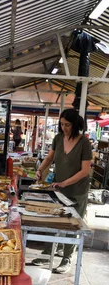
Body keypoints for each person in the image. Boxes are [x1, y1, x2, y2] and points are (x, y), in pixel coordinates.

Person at [32, 108, 92, 274]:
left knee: (71, 225)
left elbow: (85, 170)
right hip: (59, 189)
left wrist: (66, 182)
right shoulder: (58, 138)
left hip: (77, 191)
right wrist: (40, 169)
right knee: (53, 221)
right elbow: (50, 157)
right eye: (62, 124)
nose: (64, 128)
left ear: (76, 125)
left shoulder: (84, 143)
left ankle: (67, 259)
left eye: (68, 125)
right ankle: (48, 253)